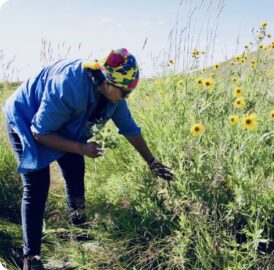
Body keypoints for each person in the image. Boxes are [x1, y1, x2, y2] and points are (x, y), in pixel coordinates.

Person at [2, 48, 173, 270]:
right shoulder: (68, 86)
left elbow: (130, 130)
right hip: (27, 120)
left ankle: (80, 232)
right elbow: (40, 132)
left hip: (59, 124)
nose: (126, 97)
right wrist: (80, 146)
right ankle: (30, 258)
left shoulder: (113, 98)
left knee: (75, 172)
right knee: (37, 185)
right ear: (106, 83)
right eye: (124, 92)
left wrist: (152, 162)